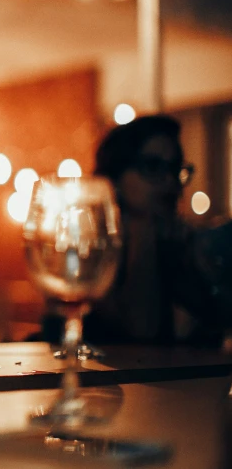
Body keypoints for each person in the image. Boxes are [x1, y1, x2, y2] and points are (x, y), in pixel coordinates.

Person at [45, 115, 232, 347]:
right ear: (113, 178)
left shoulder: (181, 243)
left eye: (175, 169)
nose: (169, 180)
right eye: (152, 166)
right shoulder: (88, 246)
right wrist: (142, 227)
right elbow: (141, 329)